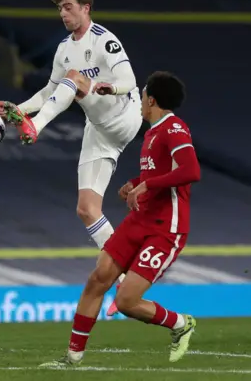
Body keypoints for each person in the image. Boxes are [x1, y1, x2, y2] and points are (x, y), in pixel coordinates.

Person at [0, 0, 142, 311]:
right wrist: (20, 109)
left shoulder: (105, 41)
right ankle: (125, 282)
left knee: (74, 78)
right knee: (87, 209)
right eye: (60, 8)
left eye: (68, 7)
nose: (63, 13)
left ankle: (37, 127)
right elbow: (50, 91)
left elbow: (130, 81)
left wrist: (107, 89)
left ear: (85, 8)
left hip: (123, 113)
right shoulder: (63, 49)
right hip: (99, 128)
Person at [40, 71, 201, 368]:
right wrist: (136, 181)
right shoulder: (152, 133)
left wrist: (147, 185)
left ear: (151, 99)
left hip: (166, 228)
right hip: (139, 221)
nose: (140, 101)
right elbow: (159, 174)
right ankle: (72, 358)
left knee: (126, 302)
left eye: (142, 96)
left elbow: (191, 171)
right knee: (98, 278)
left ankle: (180, 323)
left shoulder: (174, 128)